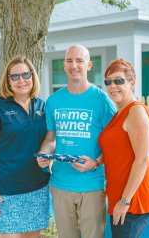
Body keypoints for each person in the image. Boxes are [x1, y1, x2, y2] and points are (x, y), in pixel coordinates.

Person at [37, 45, 116, 238]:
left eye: (79, 61)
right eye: (69, 60)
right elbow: (51, 137)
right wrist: (44, 154)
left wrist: (96, 162)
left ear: (89, 65)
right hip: (60, 183)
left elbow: (115, 144)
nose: (74, 65)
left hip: (92, 184)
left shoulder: (102, 100)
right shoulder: (54, 100)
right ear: (64, 65)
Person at [0, 56, 50, 237]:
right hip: (6, 191)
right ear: (8, 81)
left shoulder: (43, 106)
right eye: (15, 76)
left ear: (33, 76)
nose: (21, 80)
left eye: (26, 74)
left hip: (38, 187)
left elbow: (51, 138)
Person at [98, 58, 149, 238]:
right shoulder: (119, 113)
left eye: (119, 80)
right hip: (120, 197)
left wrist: (124, 201)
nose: (112, 86)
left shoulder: (135, 111)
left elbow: (143, 159)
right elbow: (118, 149)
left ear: (132, 82)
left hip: (133, 201)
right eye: (108, 82)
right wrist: (95, 162)